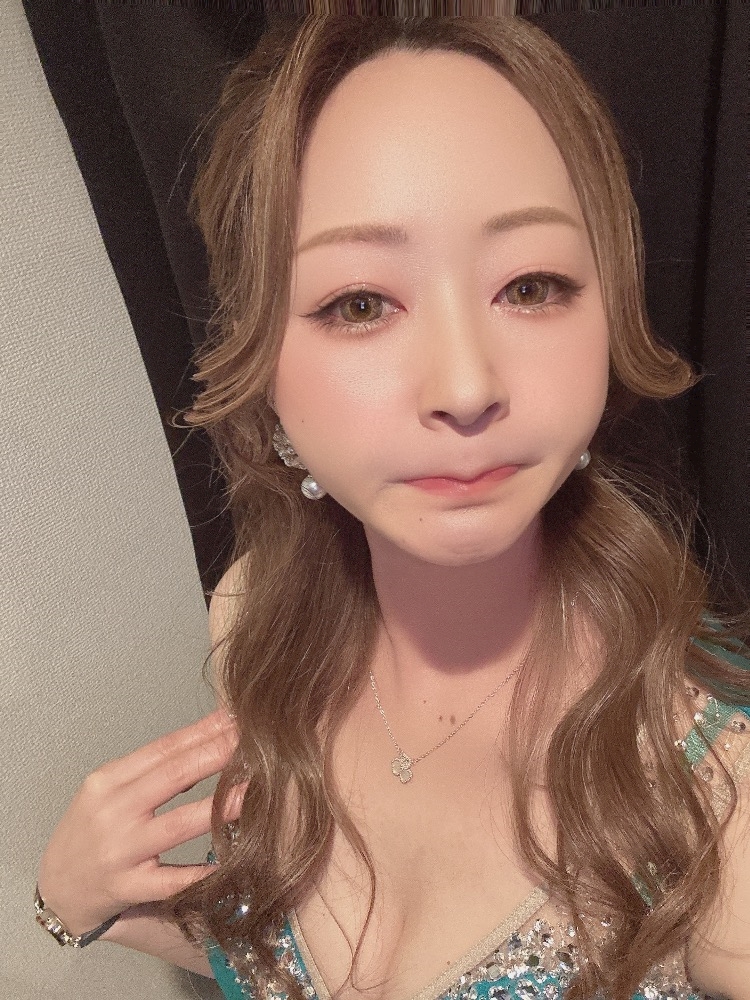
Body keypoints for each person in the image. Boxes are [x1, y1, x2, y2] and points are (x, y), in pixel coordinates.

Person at [36, 15, 750, 1000]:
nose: (465, 386)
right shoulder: (257, 616)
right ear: (260, 364)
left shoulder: (709, 802)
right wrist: (80, 905)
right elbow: (289, 964)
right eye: (361, 303)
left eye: (531, 286)